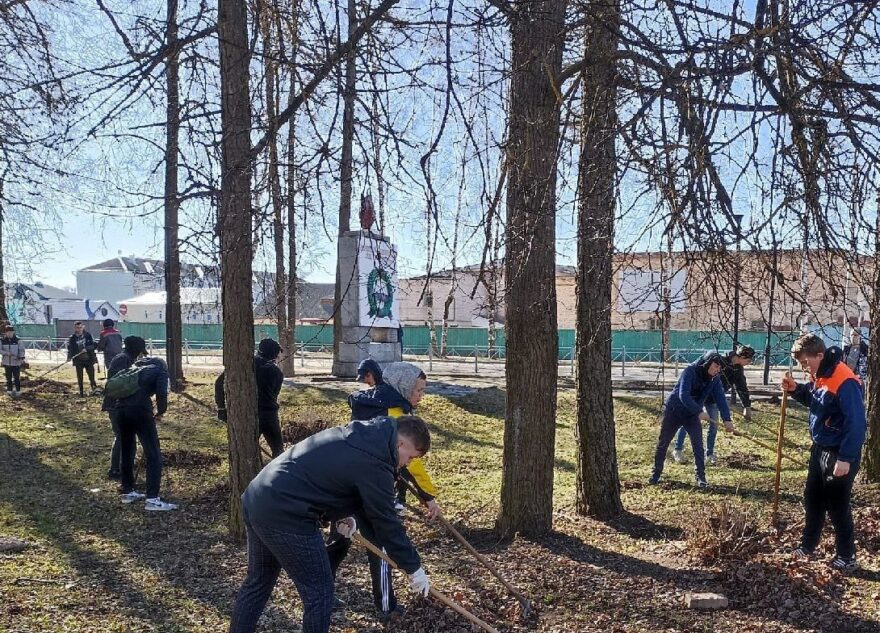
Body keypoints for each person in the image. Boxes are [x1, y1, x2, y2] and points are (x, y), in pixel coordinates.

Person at [229, 415, 432, 633]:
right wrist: (413, 567)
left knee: (259, 581)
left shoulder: (363, 435)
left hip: (259, 496)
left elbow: (332, 477)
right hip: (287, 514)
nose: (407, 464)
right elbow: (386, 521)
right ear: (400, 444)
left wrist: (346, 515)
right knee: (320, 593)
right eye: (410, 457)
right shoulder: (377, 461)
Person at [328, 361, 438, 622]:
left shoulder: (371, 401)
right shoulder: (394, 413)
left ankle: (322, 588)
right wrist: (428, 496)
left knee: (338, 542)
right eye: (419, 389)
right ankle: (387, 607)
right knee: (382, 546)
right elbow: (411, 462)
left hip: (345, 485)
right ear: (404, 386)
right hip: (371, 489)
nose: (421, 395)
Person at [782, 333, 866, 571]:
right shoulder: (821, 376)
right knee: (813, 499)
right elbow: (816, 401)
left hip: (839, 452)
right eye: (800, 363)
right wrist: (796, 389)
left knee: (837, 504)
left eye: (805, 362)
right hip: (820, 448)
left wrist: (846, 459)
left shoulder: (845, 380)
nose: (803, 367)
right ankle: (808, 545)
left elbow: (856, 423)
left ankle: (847, 556)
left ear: (819, 355)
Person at [107, 336, 176, 511]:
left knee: (128, 450)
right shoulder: (160, 368)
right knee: (153, 454)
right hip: (140, 410)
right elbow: (161, 393)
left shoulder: (135, 366)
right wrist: (161, 412)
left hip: (120, 409)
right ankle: (152, 499)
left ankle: (128, 491)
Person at [649, 351, 736, 488]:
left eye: (719, 368)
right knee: (663, 442)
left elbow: (720, 398)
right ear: (706, 364)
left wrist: (727, 419)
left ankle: (701, 478)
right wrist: (699, 411)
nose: (717, 371)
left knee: (698, 446)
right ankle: (655, 475)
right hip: (674, 411)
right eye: (715, 367)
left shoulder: (715, 379)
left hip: (692, 416)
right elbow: (684, 395)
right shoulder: (690, 371)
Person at [672, 344, 755, 466]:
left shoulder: (738, 370)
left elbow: (742, 387)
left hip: (714, 400)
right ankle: (678, 450)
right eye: (748, 360)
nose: (749, 363)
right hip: (700, 396)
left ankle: (709, 454)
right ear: (742, 356)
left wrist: (746, 406)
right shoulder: (719, 360)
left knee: (714, 425)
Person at [214, 339, 286, 457]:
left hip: (248, 413)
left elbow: (219, 383)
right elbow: (274, 394)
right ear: (273, 354)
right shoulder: (276, 372)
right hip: (270, 415)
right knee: (278, 451)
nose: (278, 356)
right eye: (278, 353)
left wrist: (221, 407)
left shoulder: (244, 365)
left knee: (248, 451)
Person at [67, 321, 99, 396]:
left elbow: (94, 345)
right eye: (77, 328)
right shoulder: (72, 338)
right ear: (75, 328)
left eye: (80, 327)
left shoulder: (88, 335)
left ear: (83, 327)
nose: (79, 329)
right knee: (80, 377)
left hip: (89, 359)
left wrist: (87, 349)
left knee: (91, 376)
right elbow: (70, 349)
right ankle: (81, 392)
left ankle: (94, 390)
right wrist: (69, 357)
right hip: (78, 360)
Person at [0, 325, 26, 396]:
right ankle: (9, 390)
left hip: (16, 362)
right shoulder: (2, 340)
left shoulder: (18, 340)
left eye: (11, 332)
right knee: (8, 378)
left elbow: (22, 350)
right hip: (6, 362)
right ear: (5, 333)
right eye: (7, 332)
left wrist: (21, 358)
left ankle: (18, 391)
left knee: (17, 377)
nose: (9, 334)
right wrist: (6, 353)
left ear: (13, 332)